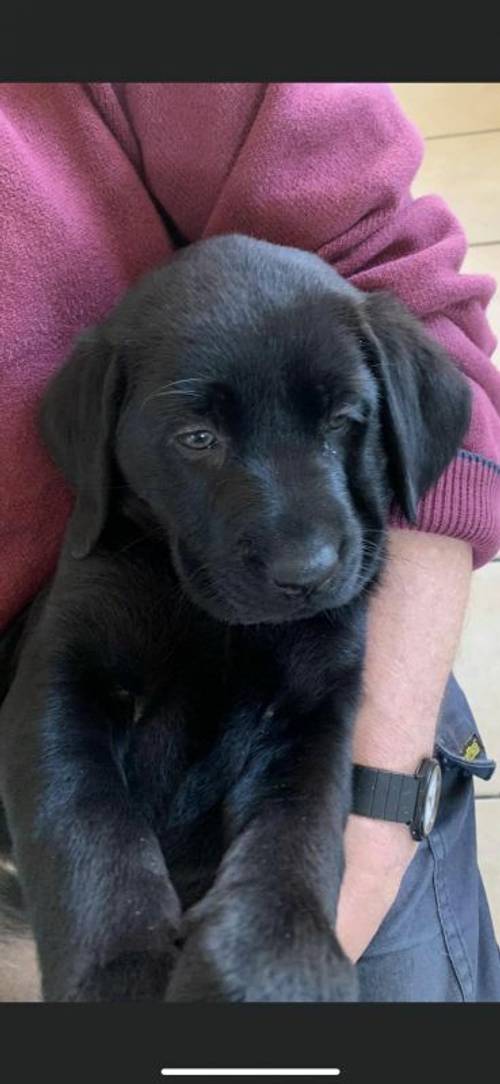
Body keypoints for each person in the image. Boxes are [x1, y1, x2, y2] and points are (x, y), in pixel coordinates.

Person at [1, 82, 499, 1001]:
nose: (305, 548)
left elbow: (407, 281)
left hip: (342, 751)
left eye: (337, 419)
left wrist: (368, 831)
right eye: (199, 438)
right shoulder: (109, 464)